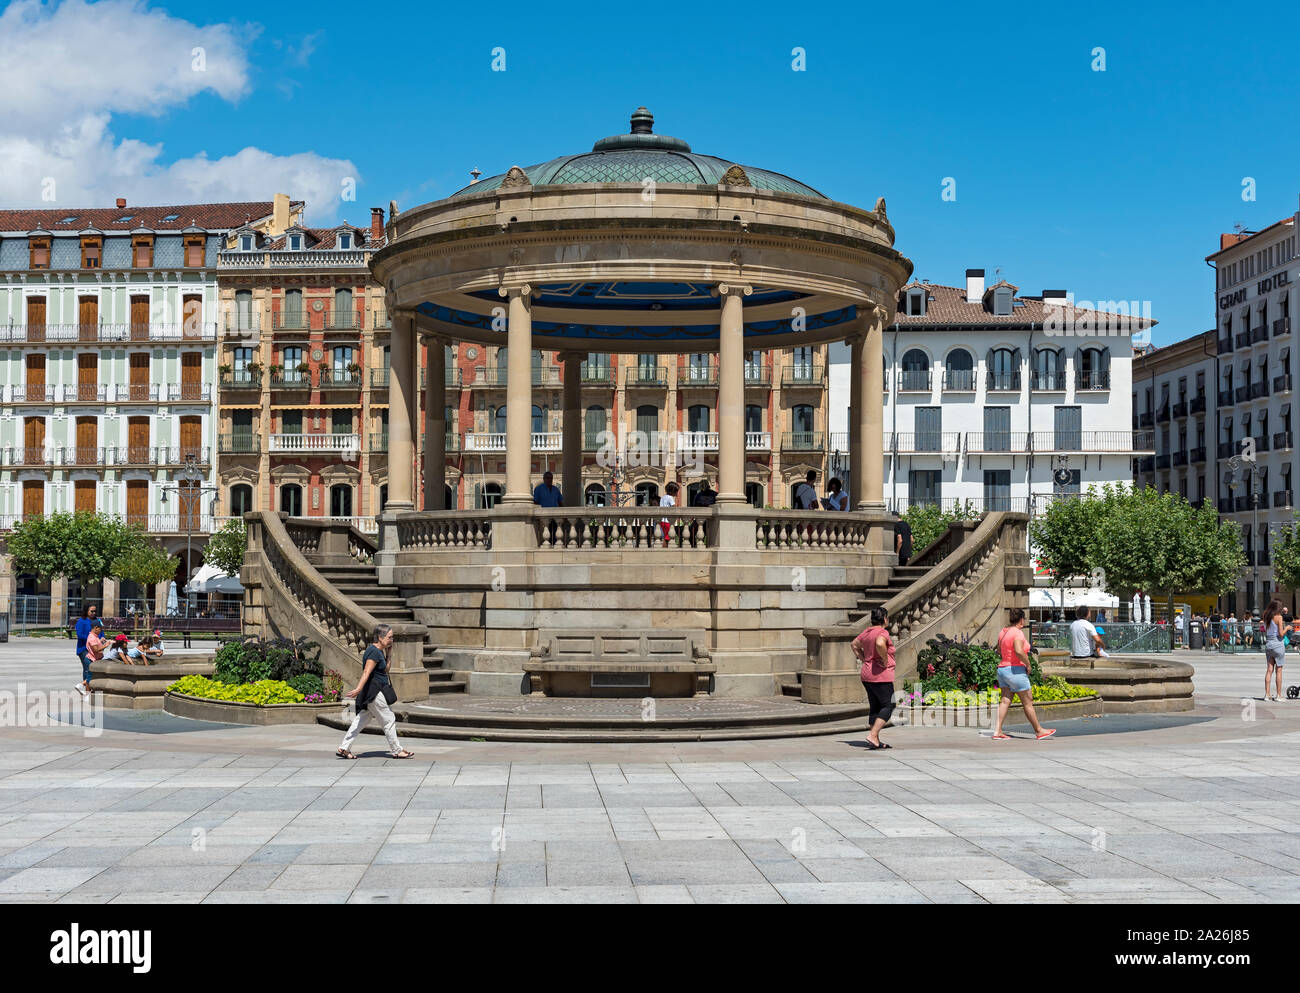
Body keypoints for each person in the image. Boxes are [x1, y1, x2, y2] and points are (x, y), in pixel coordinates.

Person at [338, 623, 414, 759]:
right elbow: (367, 671)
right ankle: (397, 750)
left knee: (362, 719)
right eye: (390, 637)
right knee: (389, 718)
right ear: (380, 637)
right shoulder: (373, 651)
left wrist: (389, 654)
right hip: (375, 692)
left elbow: (385, 671)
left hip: (373, 692)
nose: (392, 640)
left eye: (392, 637)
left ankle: (344, 748)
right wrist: (358, 689)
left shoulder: (379, 651)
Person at [992, 607, 1056, 740]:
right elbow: (1019, 651)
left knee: (1005, 700)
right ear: (1021, 619)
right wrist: (1028, 664)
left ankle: (997, 731)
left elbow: (999, 650)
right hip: (1015, 671)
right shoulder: (1018, 633)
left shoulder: (1003, 632)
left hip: (1002, 670)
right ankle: (1039, 731)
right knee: (1028, 702)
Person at [851, 607, 896, 750]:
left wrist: (864, 659)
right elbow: (880, 643)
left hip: (867, 674)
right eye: (887, 618)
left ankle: (875, 739)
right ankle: (873, 734)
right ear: (884, 619)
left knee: (875, 707)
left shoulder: (867, 632)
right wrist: (884, 659)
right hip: (880, 675)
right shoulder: (882, 632)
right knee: (889, 705)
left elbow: (854, 645)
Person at [1263, 599, 1287, 701]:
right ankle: (1278, 695)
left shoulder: (1266, 616)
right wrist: (1287, 628)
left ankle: (1267, 695)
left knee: (1269, 670)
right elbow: (1281, 634)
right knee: (1279, 670)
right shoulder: (1279, 617)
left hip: (1268, 644)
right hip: (1278, 644)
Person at [74, 603, 98, 698]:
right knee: (88, 669)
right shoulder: (81, 621)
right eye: (92, 611)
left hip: (94, 649)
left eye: (95, 611)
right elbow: (80, 635)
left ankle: (87, 689)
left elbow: (101, 632)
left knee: (93, 669)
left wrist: (101, 639)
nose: (94, 613)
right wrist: (91, 638)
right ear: (86, 611)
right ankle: (87, 692)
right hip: (84, 649)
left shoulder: (97, 620)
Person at [659, 481, 679, 546]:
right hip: (668, 521)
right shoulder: (670, 498)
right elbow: (673, 508)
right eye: (676, 491)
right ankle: (665, 550)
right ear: (672, 491)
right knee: (667, 538)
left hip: (662, 521)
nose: (677, 493)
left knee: (665, 536)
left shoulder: (662, 498)